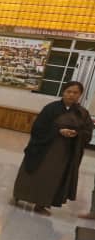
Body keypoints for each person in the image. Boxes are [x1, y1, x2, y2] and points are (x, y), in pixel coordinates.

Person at [12, 81, 93, 215]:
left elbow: (87, 132)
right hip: (44, 149)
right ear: (63, 92)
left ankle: (41, 204)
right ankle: (21, 195)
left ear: (80, 95)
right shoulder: (51, 108)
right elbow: (38, 128)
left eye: (75, 93)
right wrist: (58, 131)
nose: (71, 95)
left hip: (65, 154)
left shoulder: (82, 113)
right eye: (69, 92)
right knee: (34, 174)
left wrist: (76, 134)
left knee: (52, 179)